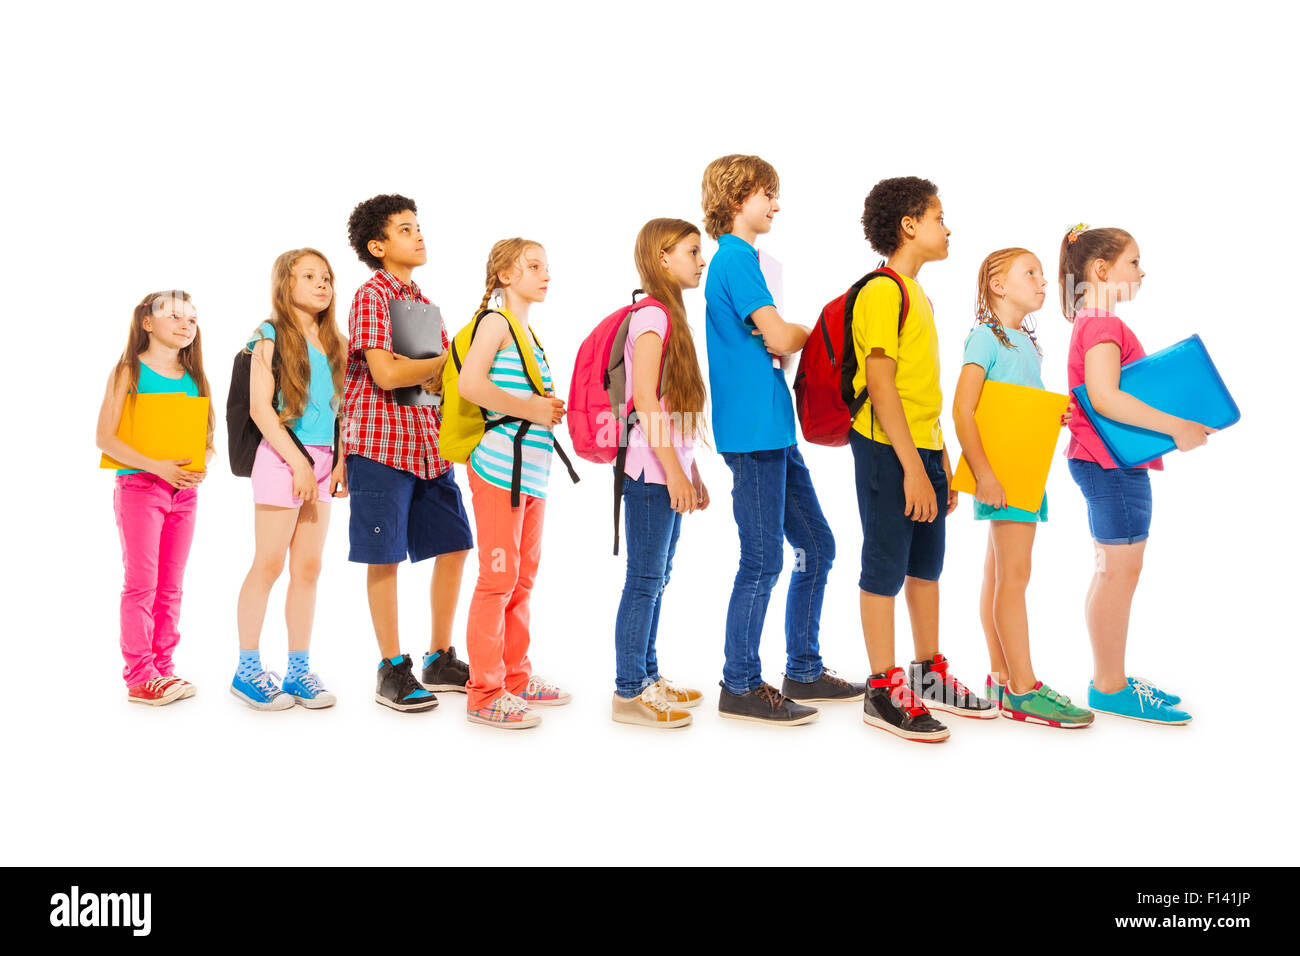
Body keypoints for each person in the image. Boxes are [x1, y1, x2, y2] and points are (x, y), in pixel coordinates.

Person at [701, 153, 863, 726]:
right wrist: (812, 330)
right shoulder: (737, 259)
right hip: (752, 434)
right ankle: (740, 684)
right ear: (737, 196)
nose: (775, 204)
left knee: (816, 547)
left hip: (773, 430)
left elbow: (775, 340)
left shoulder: (742, 261)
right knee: (764, 558)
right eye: (767, 193)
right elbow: (779, 333)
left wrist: (788, 338)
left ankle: (803, 668)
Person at [852, 177, 996, 743]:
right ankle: (882, 688)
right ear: (909, 226)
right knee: (884, 566)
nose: (948, 227)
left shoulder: (916, 294)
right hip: (888, 449)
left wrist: (937, 464)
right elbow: (882, 388)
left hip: (923, 450)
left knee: (925, 565)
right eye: (939, 217)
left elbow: (919, 391)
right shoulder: (883, 291)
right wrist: (913, 467)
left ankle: (928, 673)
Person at [1060, 223, 1211, 724]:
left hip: (1104, 462)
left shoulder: (1091, 321)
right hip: (1110, 465)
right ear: (1101, 269)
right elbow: (1106, 397)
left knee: (1114, 570)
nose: (1141, 272)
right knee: (1118, 572)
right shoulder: (1103, 324)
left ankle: (1112, 678)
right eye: (1133, 262)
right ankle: (1109, 686)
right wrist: (1179, 427)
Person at [951, 247, 1092, 728]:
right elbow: (962, 411)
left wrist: (1058, 415)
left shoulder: (1025, 344)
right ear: (998, 285)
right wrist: (985, 475)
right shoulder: (984, 339)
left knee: (998, 578)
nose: (1043, 281)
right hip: (1004, 479)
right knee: (1015, 578)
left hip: (1025, 473)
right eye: (1029, 273)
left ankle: (1000, 675)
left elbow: (1016, 408)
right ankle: (1025, 688)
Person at [343, 194, 473, 712]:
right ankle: (392, 669)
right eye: (404, 229)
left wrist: (435, 366)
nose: (418, 235)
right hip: (380, 446)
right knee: (385, 555)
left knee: (456, 542)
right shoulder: (371, 297)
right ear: (378, 246)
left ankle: (439, 657)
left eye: (418, 226)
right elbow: (387, 374)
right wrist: (442, 360)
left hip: (427, 443)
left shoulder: (422, 303)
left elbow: (438, 380)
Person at [457, 239, 570, 729]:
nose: (545, 274)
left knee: (522, 579)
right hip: (498, 469)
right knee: (498, 579)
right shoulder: (497, 323)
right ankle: (484, 692)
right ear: (504, 275)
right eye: (532, 266)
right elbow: (470, 386)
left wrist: (544, 409)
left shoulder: (528, 333)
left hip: (532, 473)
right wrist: (534, 408)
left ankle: (515, 679)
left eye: (546, 266)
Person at [232, 248, 348, 710]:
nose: (322, 284)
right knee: (269, 565)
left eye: (327, 277)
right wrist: (299, 464)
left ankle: (298, 670)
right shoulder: (269, 334)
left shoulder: (334, 341)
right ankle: (247, 670)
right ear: (286, 284)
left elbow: (341, 412)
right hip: (282, 457)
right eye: (309, 276)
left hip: (323, 463)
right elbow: (261, 408)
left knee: (309, 568)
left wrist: (339, 463)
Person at [610, 218, 711, 728]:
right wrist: (673, 473)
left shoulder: (671, 316)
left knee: (658, 578)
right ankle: (629, 692)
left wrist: (690, 472)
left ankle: (647, 676)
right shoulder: (652, 316)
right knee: (644, 580)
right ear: (662, 256)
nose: (701, 260)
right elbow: (645, 400)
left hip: (666, 469)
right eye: (692, 251)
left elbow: (673, 408)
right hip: (649, 474)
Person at [95, 290, 213, 705]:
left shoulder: (193, 376)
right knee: (142, 584)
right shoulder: (128, 370)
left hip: (183, 493)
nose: (186, 325)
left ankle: (164, 668)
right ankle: (140, 675)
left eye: (192, 319)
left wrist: (200, 462)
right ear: (148, 323)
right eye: (176, 316)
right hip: (140, 489)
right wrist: (158, 466)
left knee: (171, 586)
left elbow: (202, 436)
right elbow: (105, 438)